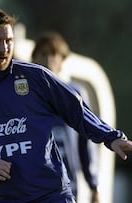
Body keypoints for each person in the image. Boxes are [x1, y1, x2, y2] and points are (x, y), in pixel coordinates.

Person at [0, 7, 132, 203]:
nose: (4, 48)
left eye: (9, 41)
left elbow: (76, 109)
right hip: (3, 198)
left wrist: (112, 137)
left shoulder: (36, 77)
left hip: (52, 194)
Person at [31, 31, 99, 203]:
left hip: (67, 186)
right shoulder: (24, 95)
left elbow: (86, 142)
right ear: (34, 59)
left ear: (62, 60)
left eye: (54, 54)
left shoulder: (75, 94)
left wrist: (94, 185)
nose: (48, 60)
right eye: (43, 54)